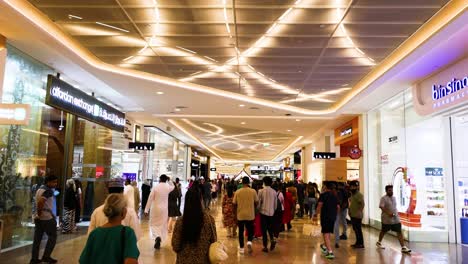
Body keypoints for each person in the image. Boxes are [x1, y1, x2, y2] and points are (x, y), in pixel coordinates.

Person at [79, 194, 139, 264]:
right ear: (123, 212)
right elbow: (131, 261)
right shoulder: (127, 233)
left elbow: (84, 260)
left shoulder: (94, 234)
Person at [172, 185, 217, 264]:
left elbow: (176, 245)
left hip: (183, 261)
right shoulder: (209, 220)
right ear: (201, 200)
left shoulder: (180, 221)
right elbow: (214, 240)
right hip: (203, 260)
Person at [30, 175, 59, 264]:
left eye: (56, 182)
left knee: (37, 239)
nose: (55, 184)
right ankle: (46, 257)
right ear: (48, 182)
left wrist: (37, 215)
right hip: (46, 218)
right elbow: (41, 202)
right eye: (54, 182)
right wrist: (39, 213)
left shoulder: (39, 189)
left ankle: (34, 259)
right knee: (53, 237)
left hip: (39, 219)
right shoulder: (48, 191)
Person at [376, 185, 412, 253]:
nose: (391, 191)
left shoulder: (394, 198)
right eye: (389, 190)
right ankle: (379, 242)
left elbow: (395, 207)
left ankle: (403, 247)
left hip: (395, 218)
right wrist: (388, 213)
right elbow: (381, 207)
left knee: (399, 231)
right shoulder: (383, 198)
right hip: (386, 219)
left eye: (392, 190)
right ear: (386, 191)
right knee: (383, 231)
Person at [145, 174, 175, 249]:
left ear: (160, 179)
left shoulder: (155, 187)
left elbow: (150, 198)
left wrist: (146, 210)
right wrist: (170, 180)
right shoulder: (167, 187)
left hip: (155, 209)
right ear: (166, 179)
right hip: (164, 209)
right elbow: (173, 186)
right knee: (162, 224)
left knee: (153, 224)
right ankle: (160, 237)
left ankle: (157, 236)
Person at [233, 176, 258, 254]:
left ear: (242, 182)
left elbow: (234, 204)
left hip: (240, 215)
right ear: (248, 182)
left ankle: (241, 248)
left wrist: (235, 215)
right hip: (250, 214)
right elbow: (256, 202)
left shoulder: (238, 192)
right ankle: (249, 242)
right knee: (250, 230)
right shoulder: (253, 191)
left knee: (241, 231)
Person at [315, 181, 339, 260]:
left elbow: (319, 205)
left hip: (325, 216)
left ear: (326, 187)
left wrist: (315, 214)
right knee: (328, 233)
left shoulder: (323, 195)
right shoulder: (335, 196)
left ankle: (330, 252)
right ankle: (325, 246)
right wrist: (335, 214)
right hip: (332, 217)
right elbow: (338, 207)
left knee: (325, 233)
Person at [257, 177, 278, 253]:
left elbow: (259, 203)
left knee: (264, 230)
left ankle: (265, 246)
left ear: (264, 182)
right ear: (271, 183)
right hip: (271, 213)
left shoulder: (261, 191)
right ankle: (272, 239)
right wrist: (273, 210)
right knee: (270, 228)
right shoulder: (274, 192)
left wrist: (258, 210)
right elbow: (275, 204)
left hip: (263, 213)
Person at [349, 181, 365, 248]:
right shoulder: (352, 194)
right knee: (355, 229)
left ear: (357, 187)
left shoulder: (359, 195)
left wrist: (359, 212)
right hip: (353, 214)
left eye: (354, 186)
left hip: (357, 215)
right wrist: (349, 211)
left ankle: (361, 243)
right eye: (351, 186)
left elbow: (362, 204)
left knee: (358, 229)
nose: (352, 188)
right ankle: (358, 242)